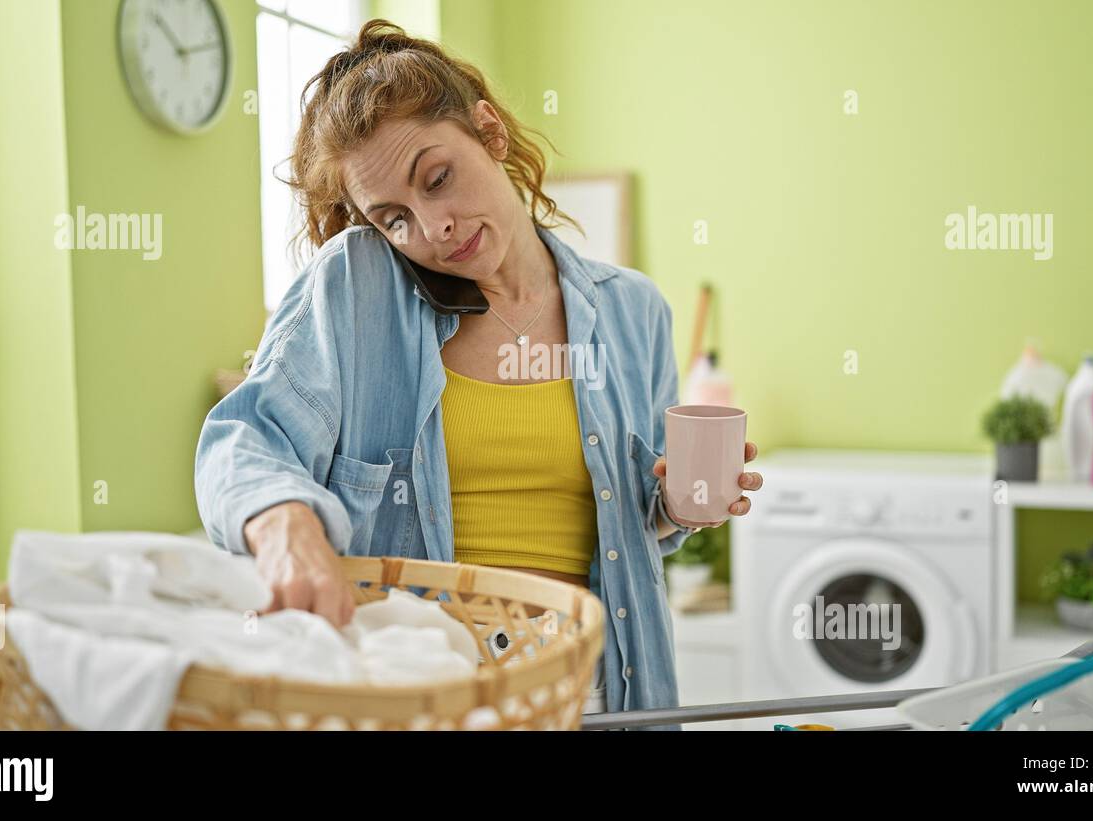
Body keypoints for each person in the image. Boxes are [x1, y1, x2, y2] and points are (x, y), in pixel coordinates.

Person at [194, 19, 762, 728]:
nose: (432, 228)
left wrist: (678, 503)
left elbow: (641, 519)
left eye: (438, 179)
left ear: (489, 133)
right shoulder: (357, 287)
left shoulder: (632, 311)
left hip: (597, 690)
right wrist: (281, 522)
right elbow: (240, 442)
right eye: (394, 217)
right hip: (424, 696)